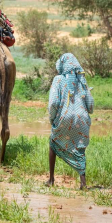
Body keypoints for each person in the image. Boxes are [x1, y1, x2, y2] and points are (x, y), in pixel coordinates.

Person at [46, 53, 94, 189]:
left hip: (65, 117)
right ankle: (83, 183)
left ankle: (51, 180)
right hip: (82, 118)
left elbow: (53, 103)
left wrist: (52, 119)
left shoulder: (58, 80)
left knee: (53, 142)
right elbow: (90, 105)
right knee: (80, 148)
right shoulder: (82, 80)